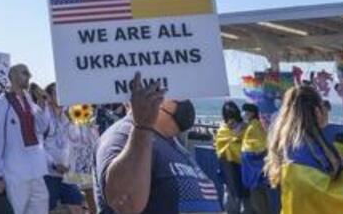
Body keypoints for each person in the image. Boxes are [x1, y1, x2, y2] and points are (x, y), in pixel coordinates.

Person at [94, 73, 219, 214]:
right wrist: (142, 126)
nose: (184, 98)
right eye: (175, 92)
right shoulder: (123, 134)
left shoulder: (172, 142)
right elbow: (125, 201)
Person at [265, 85, 343, 213]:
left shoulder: (288, 144)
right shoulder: (310, 147)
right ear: (317, 111)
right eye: (324, 105)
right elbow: (326, 195)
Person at [0, 63, 51, 214]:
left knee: (40, 209)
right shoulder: (0, 104)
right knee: (17, 210)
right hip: (15, 171)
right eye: (24, 73)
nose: (29, 76)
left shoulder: (29, 100)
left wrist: (43, 105)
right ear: (12, 76)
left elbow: (41, 128)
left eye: (28, 73)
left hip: (36, 169)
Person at [41, 83, 84, 214]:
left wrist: (73, 121)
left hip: (68, 174)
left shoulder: (70, 112)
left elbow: (77, 138)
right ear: (48, 97)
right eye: (56, 93)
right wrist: (54, 165)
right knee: (48, 208)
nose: (61, 96)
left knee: (78, 203)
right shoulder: (41, 115)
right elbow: (37, 146)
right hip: (49, 173)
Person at [215, 100, 249, 214]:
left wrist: (236, 136)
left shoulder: (245, 127)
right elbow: (220, 145)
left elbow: (250, 143)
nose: (231, 120)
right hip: (228, 164)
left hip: (242, 164)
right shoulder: (223, 129)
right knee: (231, 192)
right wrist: (236, 137)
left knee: (244, 193)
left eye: (233, 116)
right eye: (229, 116)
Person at [239, 102, 273, 214]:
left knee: (258, 201)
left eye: (245, 111)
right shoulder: (253, 125)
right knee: (259, 200)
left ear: (251, 113)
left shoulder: (254, 127)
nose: (243, 113)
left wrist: (247, 153)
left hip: (254, 171)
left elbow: (260, 147)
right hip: (254, 171)